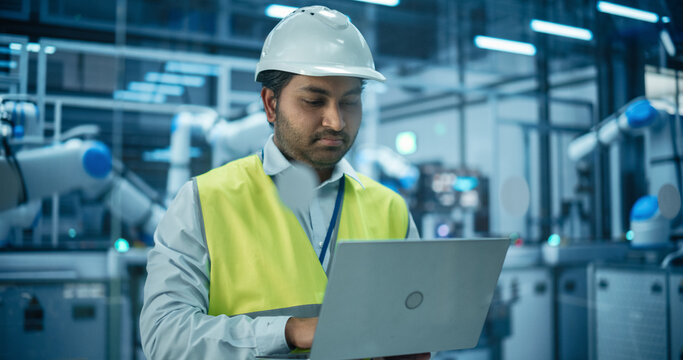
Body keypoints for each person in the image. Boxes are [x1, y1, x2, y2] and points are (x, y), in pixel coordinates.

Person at [140, 5, 427, 359]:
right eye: (313, 101)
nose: (336, 121)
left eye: (350, 101)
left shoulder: (390, 209)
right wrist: (291, 330)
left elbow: (411, 323)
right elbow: (163, 338)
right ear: (271, 104)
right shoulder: (203, 201)